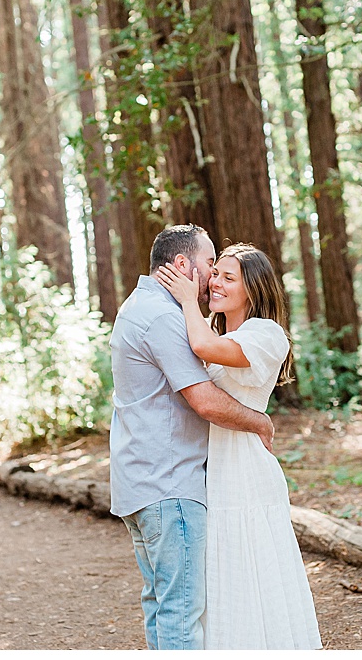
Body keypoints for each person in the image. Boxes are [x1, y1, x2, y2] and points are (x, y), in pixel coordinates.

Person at [109, 225, 275, 650]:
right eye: (209, 265)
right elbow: (205, 402)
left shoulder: (137, 306)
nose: (212, 278)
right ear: (183, 265)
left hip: (143, 481)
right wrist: (258, 421)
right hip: (169, 486)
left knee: (162, 606)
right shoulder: (166, 316)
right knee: (180, 611)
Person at [156, 243, 322, 649]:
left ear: (253, 289)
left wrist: (184, 300)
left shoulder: (266, 334)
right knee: (221, 570)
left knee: (251, 565)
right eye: (216, 274)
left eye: (229, 278)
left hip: (245, 469)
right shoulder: (218, 330)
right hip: (210, 467)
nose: (215, 282)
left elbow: (203, 349)